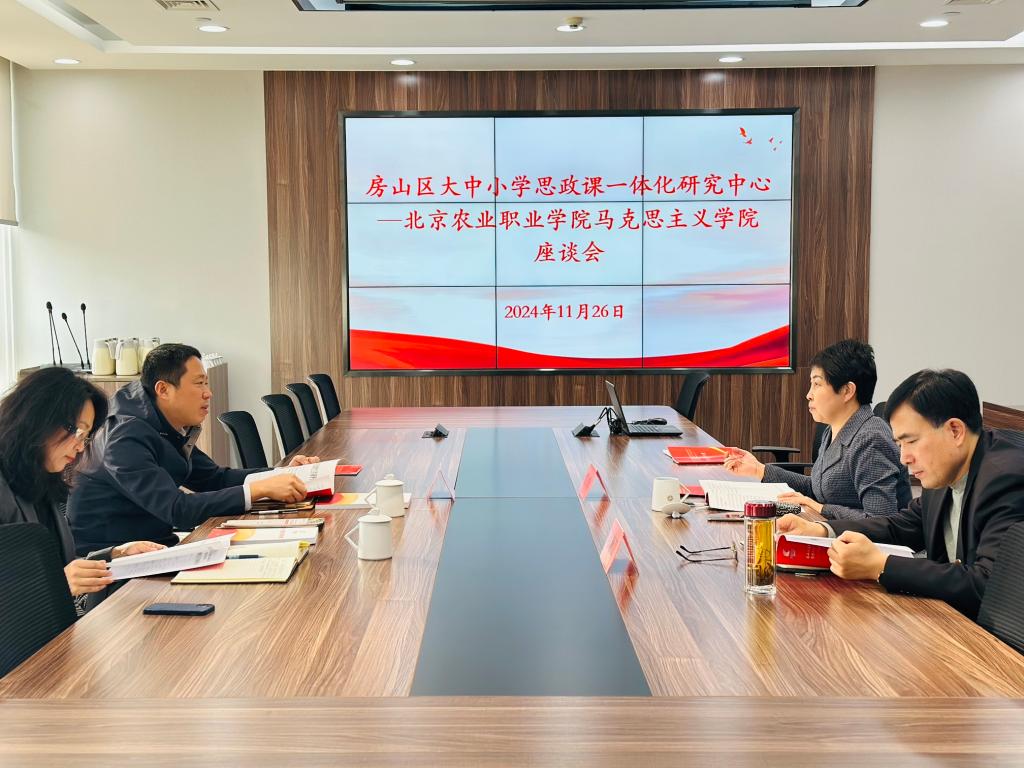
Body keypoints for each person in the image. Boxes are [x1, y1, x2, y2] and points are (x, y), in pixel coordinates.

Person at [778, 369, 1024, 619]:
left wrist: (881, 566)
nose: (904, 457)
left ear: (955, 431)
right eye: (899, 444)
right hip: (946, 618)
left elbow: (988, 585)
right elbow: (903, 526)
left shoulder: (1006, 479)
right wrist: (822, 531)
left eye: (911, 441)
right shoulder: (946, 467)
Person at [70, 344, 319, 555]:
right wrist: (258, 490)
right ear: (163, 389)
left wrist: (280, 474)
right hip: (114, 566)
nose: (208, 393)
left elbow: (213, 478)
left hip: (155, 547)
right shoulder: (125, 436)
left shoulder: (159, 420)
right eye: (199, 384)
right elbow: (177, 509)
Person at [0, 367, 165, 608]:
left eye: (86, 436)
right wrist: (57, 585)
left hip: (61, 624)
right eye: (77, 431)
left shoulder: (43, 482)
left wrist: (115, 555)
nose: (80, 447)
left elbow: (57, 566)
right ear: (38, 418)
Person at [724, 339, 910, 520]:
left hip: (868, 540)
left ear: (847, 391)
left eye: (817, 384)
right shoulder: (834, 429)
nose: (809, 395)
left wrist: (820, 508)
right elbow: (817, 489)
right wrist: (759, 469)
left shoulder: (871, 439)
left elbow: (880, 520)